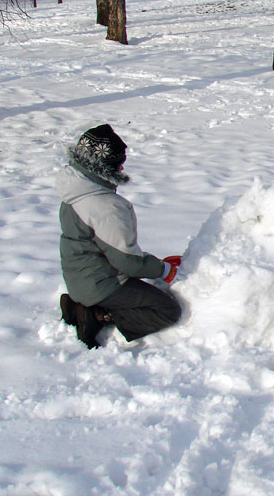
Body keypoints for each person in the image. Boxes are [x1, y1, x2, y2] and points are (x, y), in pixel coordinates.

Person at [57, 124, 182, 349]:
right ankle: (96, 315)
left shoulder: (75, 191)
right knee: (167, 310)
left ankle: (81, 305)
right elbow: (128, 262)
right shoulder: (104, 207)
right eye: (117, 163)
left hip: (80, 277)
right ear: (101, 166)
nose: (122, 166)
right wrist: (163, 269)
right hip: (102, 285)